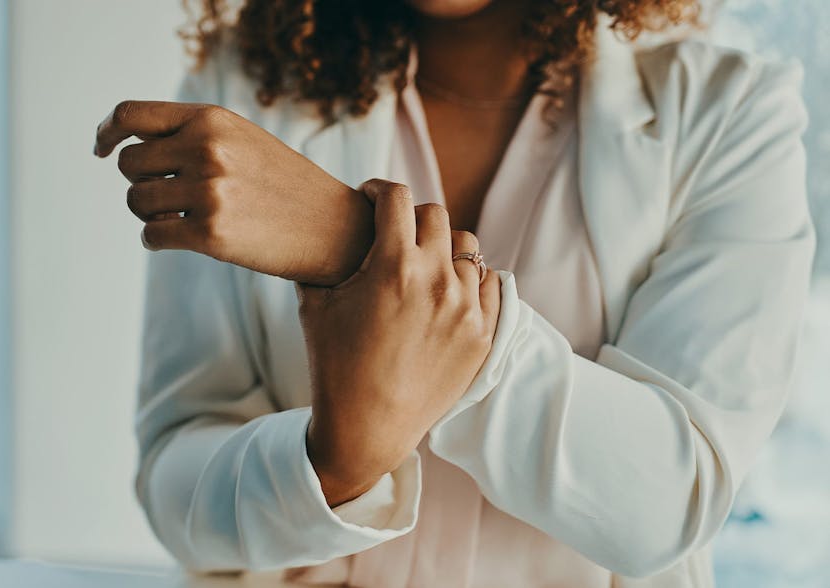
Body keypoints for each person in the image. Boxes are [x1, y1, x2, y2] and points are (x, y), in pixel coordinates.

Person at [93, 0, 815, 586]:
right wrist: (332, 467)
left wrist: (352, 244)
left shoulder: (729, 112)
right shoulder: (243, 85)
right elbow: (175, 477)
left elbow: (668, 502)